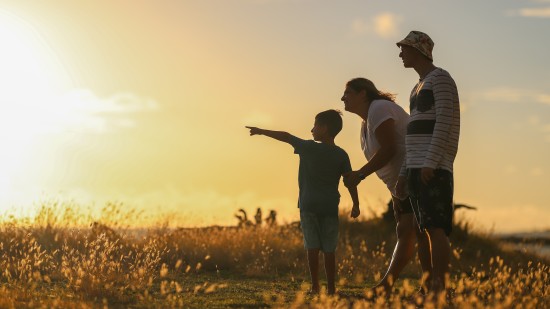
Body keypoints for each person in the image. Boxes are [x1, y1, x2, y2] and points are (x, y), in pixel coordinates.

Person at [246, 109, 360, 295]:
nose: (312, 129)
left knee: (312, 247)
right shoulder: (341, 154)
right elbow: (350, 181)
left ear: (324, 128)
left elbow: (286, 136)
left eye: (315, 125)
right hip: (330, 207)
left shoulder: (308, 147)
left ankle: (315, 286)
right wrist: (356, 204)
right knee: (329, 249)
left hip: (308, 205)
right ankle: (331, 288)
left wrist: (262, 131)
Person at [341, 78, 430, 295]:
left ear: (363, 94)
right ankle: (429, 285)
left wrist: (360, 174)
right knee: (411, 231)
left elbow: (390, 149)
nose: (343, 98)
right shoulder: (367, 121)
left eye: (348, 93)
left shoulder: (378, 109)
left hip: (415, 173)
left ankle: (392, 286)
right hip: (401, 182)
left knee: (415, 230)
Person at [394, 30, 460, 294]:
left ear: (419, 51)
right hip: (416, 169)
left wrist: (431, 161)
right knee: (422, 230)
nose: (400, 53)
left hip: (433, 168)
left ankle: (439, 289)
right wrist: (403, 173)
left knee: (435, 228)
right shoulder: (416, 87)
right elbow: (413, 134)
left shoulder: (441, 79)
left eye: (404, 48)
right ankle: (428, 285)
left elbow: (445, 122)